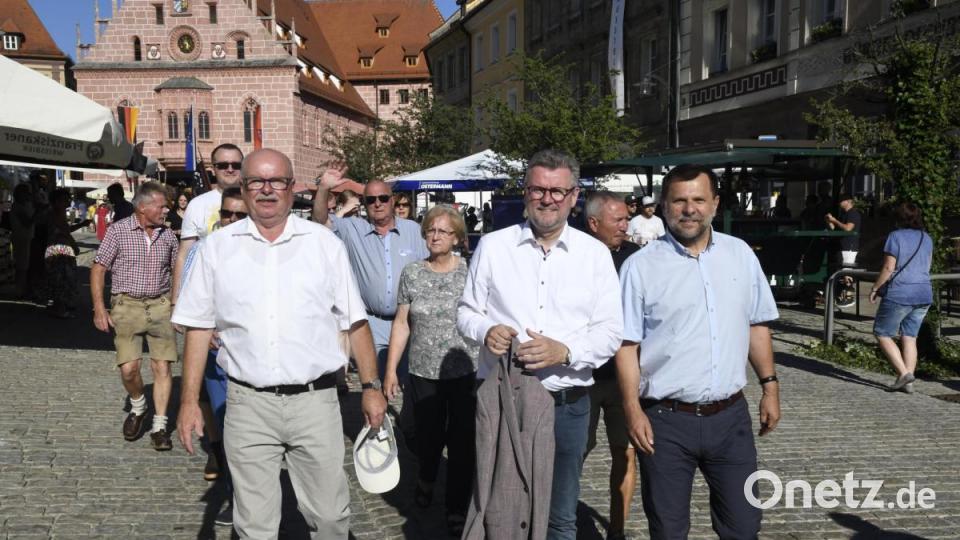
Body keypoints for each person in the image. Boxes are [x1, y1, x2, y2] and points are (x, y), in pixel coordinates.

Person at [174, 149, 387, 539]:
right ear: (244, 187)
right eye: (257, 181)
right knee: (254, 525)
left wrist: (371, 388)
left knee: (329, 518)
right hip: (248, 404)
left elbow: (355, 322)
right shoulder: (218, 249)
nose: (267, 190)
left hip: (315, 403)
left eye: (277, 182)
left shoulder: (323, 245)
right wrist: (189, 401)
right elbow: (198, 328)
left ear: (291, 189)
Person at [458, 149, 623, 540]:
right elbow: (466, 312)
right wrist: (486, 330)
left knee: (559, 517)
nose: (547, 199)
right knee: (499, 506)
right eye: (538, 190)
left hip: (566, 405)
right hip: (504, 402)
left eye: (557, 191)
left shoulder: (595, 255)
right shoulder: (494, 246)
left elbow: (611, 331)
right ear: (526, 191)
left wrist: (565, 351)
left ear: (573, 196)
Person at [616, 164, 781, 540]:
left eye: (698, 200)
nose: (689, 209)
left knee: (744, 525)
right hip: (665, 422)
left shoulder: (740, 255)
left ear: (715, 204)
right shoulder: (639, 268)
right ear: (663, 206)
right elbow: (627, 345)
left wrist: (770, 386)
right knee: (669, 529)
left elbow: (757, 324)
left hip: (731, 419)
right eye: (679, 201)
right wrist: (631, 409)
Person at [383, 205, 477, 537]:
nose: (434, 236)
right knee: (427, 436)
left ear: (457, 238)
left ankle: (456, 505)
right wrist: (391, 369)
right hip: (423, 371)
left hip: (466, 371)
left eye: (443, 231)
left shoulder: (470, 272)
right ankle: (426, 476)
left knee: (464, 442)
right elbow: (401, 323)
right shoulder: (412, 273)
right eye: (430, 230)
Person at [311, 166, 429, 378]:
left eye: (383, 198)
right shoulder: (353, 228)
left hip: (410, 322)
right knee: (374, 384)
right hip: (372, 324)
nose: (377, 203)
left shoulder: (414, 230)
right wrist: (323, 188)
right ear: (364, 204)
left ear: (392, 200)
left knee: (412, 386)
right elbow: (320, 220)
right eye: (371, 199)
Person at [90, 182, 179, 451]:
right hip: (126, 305)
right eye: (162, 206)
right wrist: (98, 308)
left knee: (162, 367)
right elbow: (98, 269)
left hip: (160, 305)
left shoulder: (169, 236)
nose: (166, 211)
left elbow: (178, 271)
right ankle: (139, 406)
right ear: (143, 207)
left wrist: (177, 304)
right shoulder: (118, 231)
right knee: (129, 369)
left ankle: (160, 427)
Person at [178, 186, 247, 526]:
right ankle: (237, 498)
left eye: (240, 214)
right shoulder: (203, 250)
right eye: (227, 214)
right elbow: (191, 306)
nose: (232, 220)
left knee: (255, 436)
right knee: (229, 430)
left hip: (254, 359)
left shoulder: (265, 251)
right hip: (217, 356)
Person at [582, 192, 639, 540]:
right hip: (583, 375)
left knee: (626, 453)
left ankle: (617, 531)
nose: (625, 225)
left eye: (626, 219)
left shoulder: (636, 257)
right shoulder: (574, 255)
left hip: (625, 377)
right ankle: (561, 520)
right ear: (593, 223)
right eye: (617, 220)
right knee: (573, 453)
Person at [869, 202, 933, 394]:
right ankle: (908, 383)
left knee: (882, 332)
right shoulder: (926, 237)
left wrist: (875, 287)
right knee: (910, 337)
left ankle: (904, 373)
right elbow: (927, 266)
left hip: (900, 292)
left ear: (898, 218)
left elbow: (889, 268)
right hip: (924, 292)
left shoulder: (895, 236)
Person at [172, 143, 244, 305]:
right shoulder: (198, 204)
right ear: (214, 168)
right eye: (223, 165)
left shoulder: (256, 201)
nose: (230, 169)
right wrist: (175, 301)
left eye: (236, 165)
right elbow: (184, 255)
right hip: (207, 295)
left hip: (246, 293)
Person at [46, 189, 89, 318]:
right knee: (62, 278)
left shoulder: (57, 213)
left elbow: (65, 230)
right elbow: (65, 232)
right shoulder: (55, 214)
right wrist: (74, 245)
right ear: (57, 201)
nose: (67, 202)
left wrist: (81, 225)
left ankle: (61, 306)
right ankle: (60, 308)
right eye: (64, 199)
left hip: (59, 249)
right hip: (59, 250)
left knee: (61, 278)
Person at [10, 183, 35, 298]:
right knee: (22, 266)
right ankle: (20, 291)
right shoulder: (17, 206)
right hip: (20, 238)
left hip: (25, 238)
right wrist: (37, 213)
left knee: (24, 265)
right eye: (26, 193)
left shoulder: (25, 205)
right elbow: (26, 222)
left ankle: (22, 289)